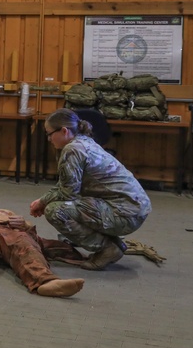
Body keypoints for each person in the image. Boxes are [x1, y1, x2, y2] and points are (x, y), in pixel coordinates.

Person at [30, 108, 151, 270]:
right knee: (67, 204)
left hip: (125, 213)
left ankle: (108, 249)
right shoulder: (84, 142)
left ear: (64, 131)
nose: (49, 139)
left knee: (56, 211)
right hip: (133, 208)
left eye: (50, 133)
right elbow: (69, 185)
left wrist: (43, 202)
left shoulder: (72, 149)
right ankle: (113, 243)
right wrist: (43, 199)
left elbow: (68, 193)